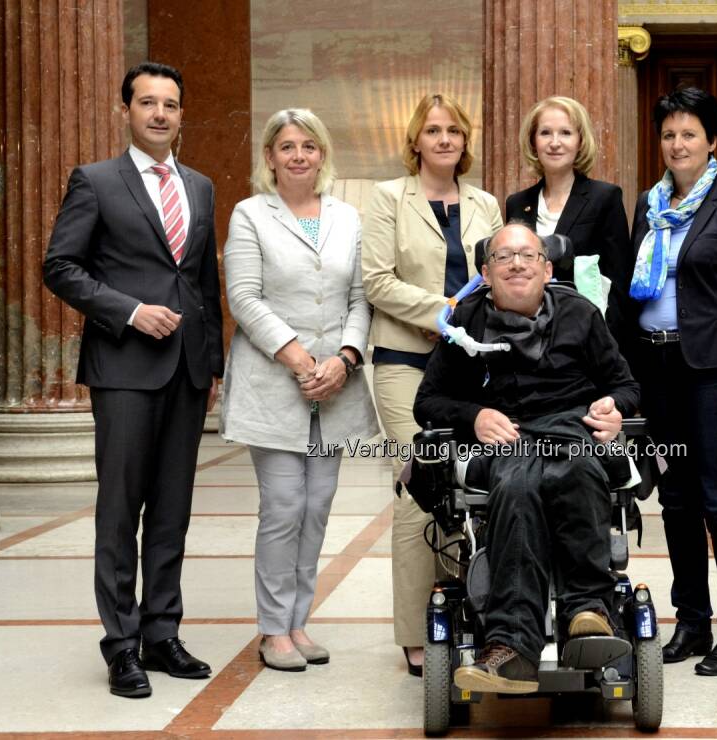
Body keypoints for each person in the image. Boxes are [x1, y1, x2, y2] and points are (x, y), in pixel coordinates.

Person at [43, 62, 223, 698]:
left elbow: (203, 282)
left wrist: (212, 364)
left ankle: (161, 633)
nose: (159, 114)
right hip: (123, 368)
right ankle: (120, 646)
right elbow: (60, 266)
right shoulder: (95, 181)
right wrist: (128, 310)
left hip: (186, 372)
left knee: (173, 511)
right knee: (120, 512)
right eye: (147, 103)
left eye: (170, 104)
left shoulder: (199, 186)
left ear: (180, 114)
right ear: (127, 111)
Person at [414, 223, 640, 694]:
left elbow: (626, 385)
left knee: (576, 467)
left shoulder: (580, 313)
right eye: (503, 257)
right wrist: (473, 415)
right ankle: (522, 642)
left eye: (527, 255)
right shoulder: (466, 322)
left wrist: (614, 409)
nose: (516, 263)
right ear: (485, 272)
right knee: (517, 484)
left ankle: (581, 618)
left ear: (547, 267)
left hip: (570, 428)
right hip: (507, 435)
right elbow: (428, 403)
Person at [220, 109, 379, 671]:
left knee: (316, 507)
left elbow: (362, 297)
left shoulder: (346, 217)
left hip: (335, 386)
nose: (298, 156)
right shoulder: (249, 215)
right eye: (286, 146)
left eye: (309, 146)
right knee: (283, 507)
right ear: (269, 157)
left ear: (322, 154)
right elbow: (243, 297)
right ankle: (272, 629)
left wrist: (344, 359)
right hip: (275, 383)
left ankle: (298, 622)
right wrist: (298, 359)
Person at [627, 87, 717, 676]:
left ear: (711, 141)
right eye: (668, 135)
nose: (677, 144)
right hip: (655, 370)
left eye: (688, 134)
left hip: (711, 375)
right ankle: (690, 621)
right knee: (675, 499)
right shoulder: (648, 204)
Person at [361, 93, 503, 676]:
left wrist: (469, 321)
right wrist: (443, 309)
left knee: (467, 491)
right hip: (405, 360)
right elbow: (376, 280)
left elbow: (497, 273)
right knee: (421, 488)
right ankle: (417, 631)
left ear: (466, 142)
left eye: (454, 131)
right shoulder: (388, 198)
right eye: (433, 131)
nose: (444, 139)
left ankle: (458, 617)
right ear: (415, 140)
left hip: (469, 370)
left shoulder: (485, 203)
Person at [505, 96, 629, 332]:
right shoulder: (517, 204)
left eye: (565, 133)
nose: (554, 142)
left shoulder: (605, 198)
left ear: (580, 141)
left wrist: (604, 344)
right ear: (533, 142)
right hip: (527, 338)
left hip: (585, 337)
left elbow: (618, 283)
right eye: (545, 133)